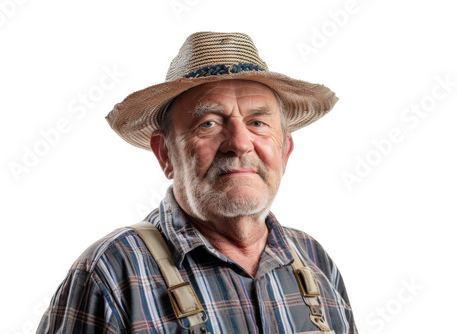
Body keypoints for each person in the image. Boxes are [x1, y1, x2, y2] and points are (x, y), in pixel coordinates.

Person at [36, 32, 357, 334]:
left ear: (284, 151)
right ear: (165, 155)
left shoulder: (316, 263)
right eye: (209, 124)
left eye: (258, 122)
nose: (240, 143)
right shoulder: (113, 271)